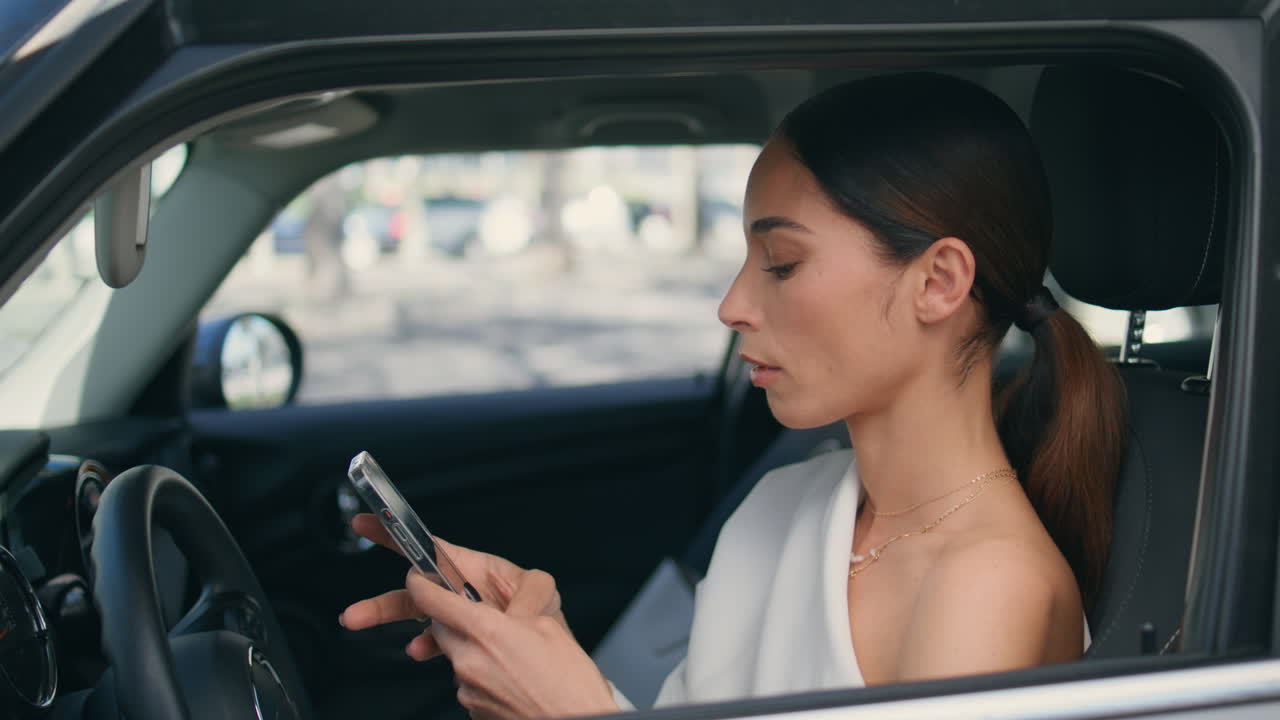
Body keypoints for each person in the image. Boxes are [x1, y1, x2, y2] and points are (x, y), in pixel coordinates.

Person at [337, 72, 1127, 719]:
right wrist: (547, 661)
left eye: (781, 263)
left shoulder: (991, 587)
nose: (733, 304)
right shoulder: (780, 507)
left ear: (939, 281)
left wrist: (568, 710)